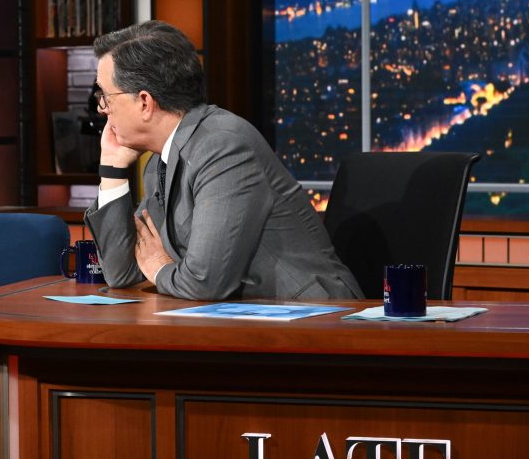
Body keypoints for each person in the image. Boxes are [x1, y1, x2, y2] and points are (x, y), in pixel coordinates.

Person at [84, 21, 363, 302]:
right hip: (245, 316)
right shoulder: (158, 163)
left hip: (315, 313)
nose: (101, 108)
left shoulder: (222, 146)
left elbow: (205, 283)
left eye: (105, 96)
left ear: (145, 102)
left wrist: (159, 269)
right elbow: (121, 272)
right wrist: (112, 168)